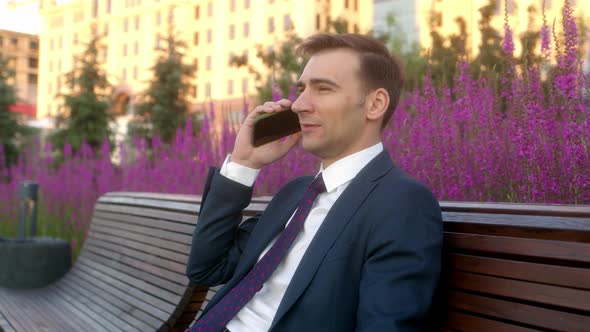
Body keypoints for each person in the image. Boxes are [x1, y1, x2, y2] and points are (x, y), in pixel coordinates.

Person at [186, 33, 443, 332]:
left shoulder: (403, 204)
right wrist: (244, 163)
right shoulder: (295, 193)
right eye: (301, 89)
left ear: (375, 104)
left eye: (323, 89)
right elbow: (207, 268)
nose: (298, 105)